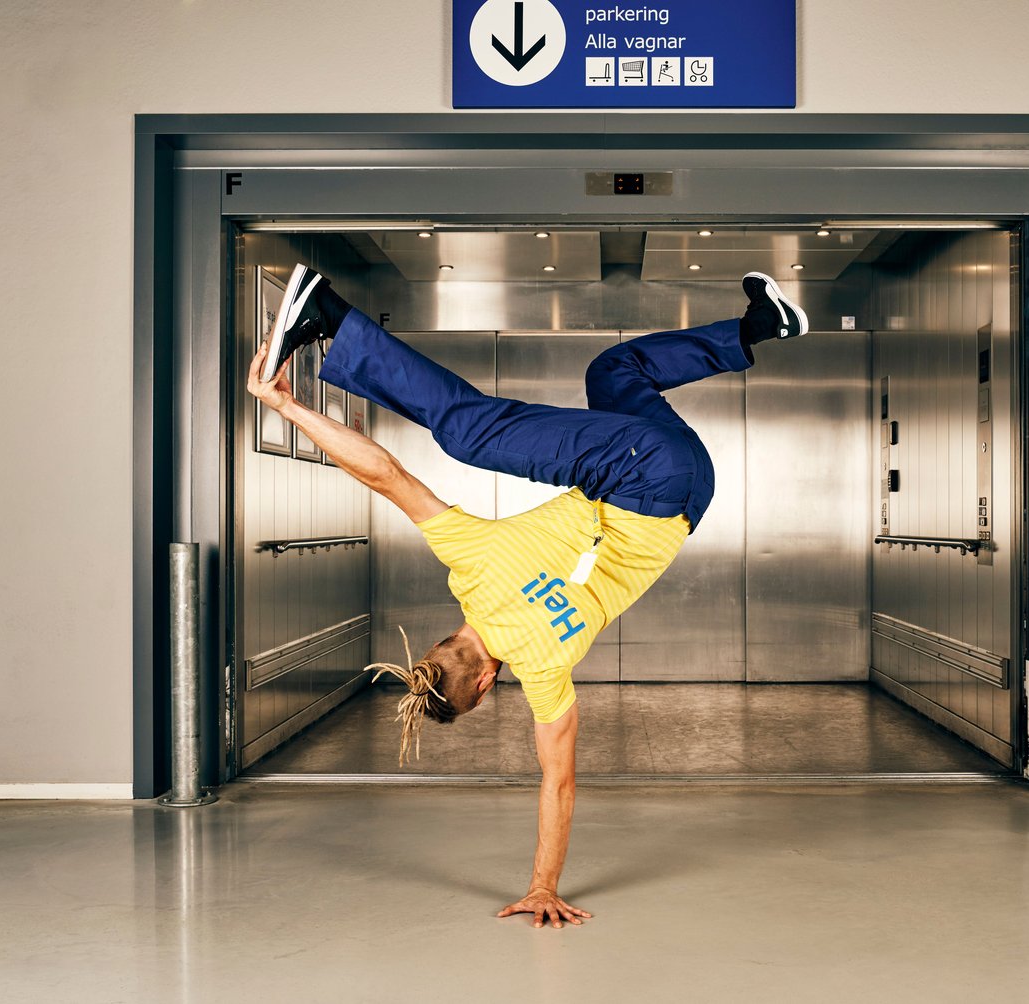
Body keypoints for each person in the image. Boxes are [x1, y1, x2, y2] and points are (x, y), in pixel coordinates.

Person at [248, 262, 808, 928]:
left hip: (689, 490)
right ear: (440, 645)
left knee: (615, 374)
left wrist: (543, 887)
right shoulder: (471, 566)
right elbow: (386, 474)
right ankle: (331, 317)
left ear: (486, 684)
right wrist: (287, 407)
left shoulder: (546, 669)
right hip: (639, 468)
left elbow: (559, 782)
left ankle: (757, 328)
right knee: (469, 431)